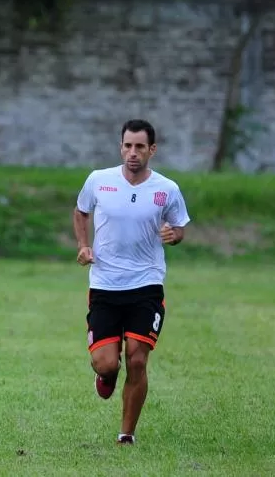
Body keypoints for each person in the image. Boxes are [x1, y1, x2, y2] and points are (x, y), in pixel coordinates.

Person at [72, 119, 191, 445]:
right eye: (127, 145)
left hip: (146, 285)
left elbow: (179, 227)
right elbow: (81, 211)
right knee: (107, 362)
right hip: (105, 285)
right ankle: (106, 375)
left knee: (137, 358)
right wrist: (83, 245)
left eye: (140, 146)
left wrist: (174, 235)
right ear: (121, 146)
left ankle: (126, 434)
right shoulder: (99, 180)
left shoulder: (167, 189)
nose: (133, 152)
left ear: (152, 149)